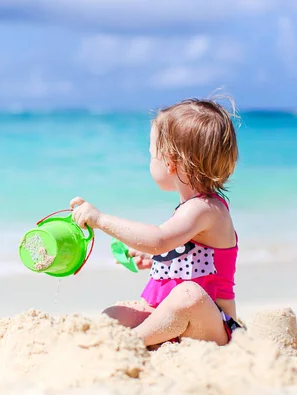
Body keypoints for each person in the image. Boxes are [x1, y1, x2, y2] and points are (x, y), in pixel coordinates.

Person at [70, 97, 243, 347]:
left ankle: (132, 341)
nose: (150, 161)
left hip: (211, 324)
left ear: (171, 162)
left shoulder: (207, 209)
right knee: (114, 314)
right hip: (178, 323)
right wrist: (156, 260)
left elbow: (159, 240)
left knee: (188, 296)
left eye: (152, 155)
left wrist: (101, 219)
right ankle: (148, 338)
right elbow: (184, 255)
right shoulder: (191, 209)